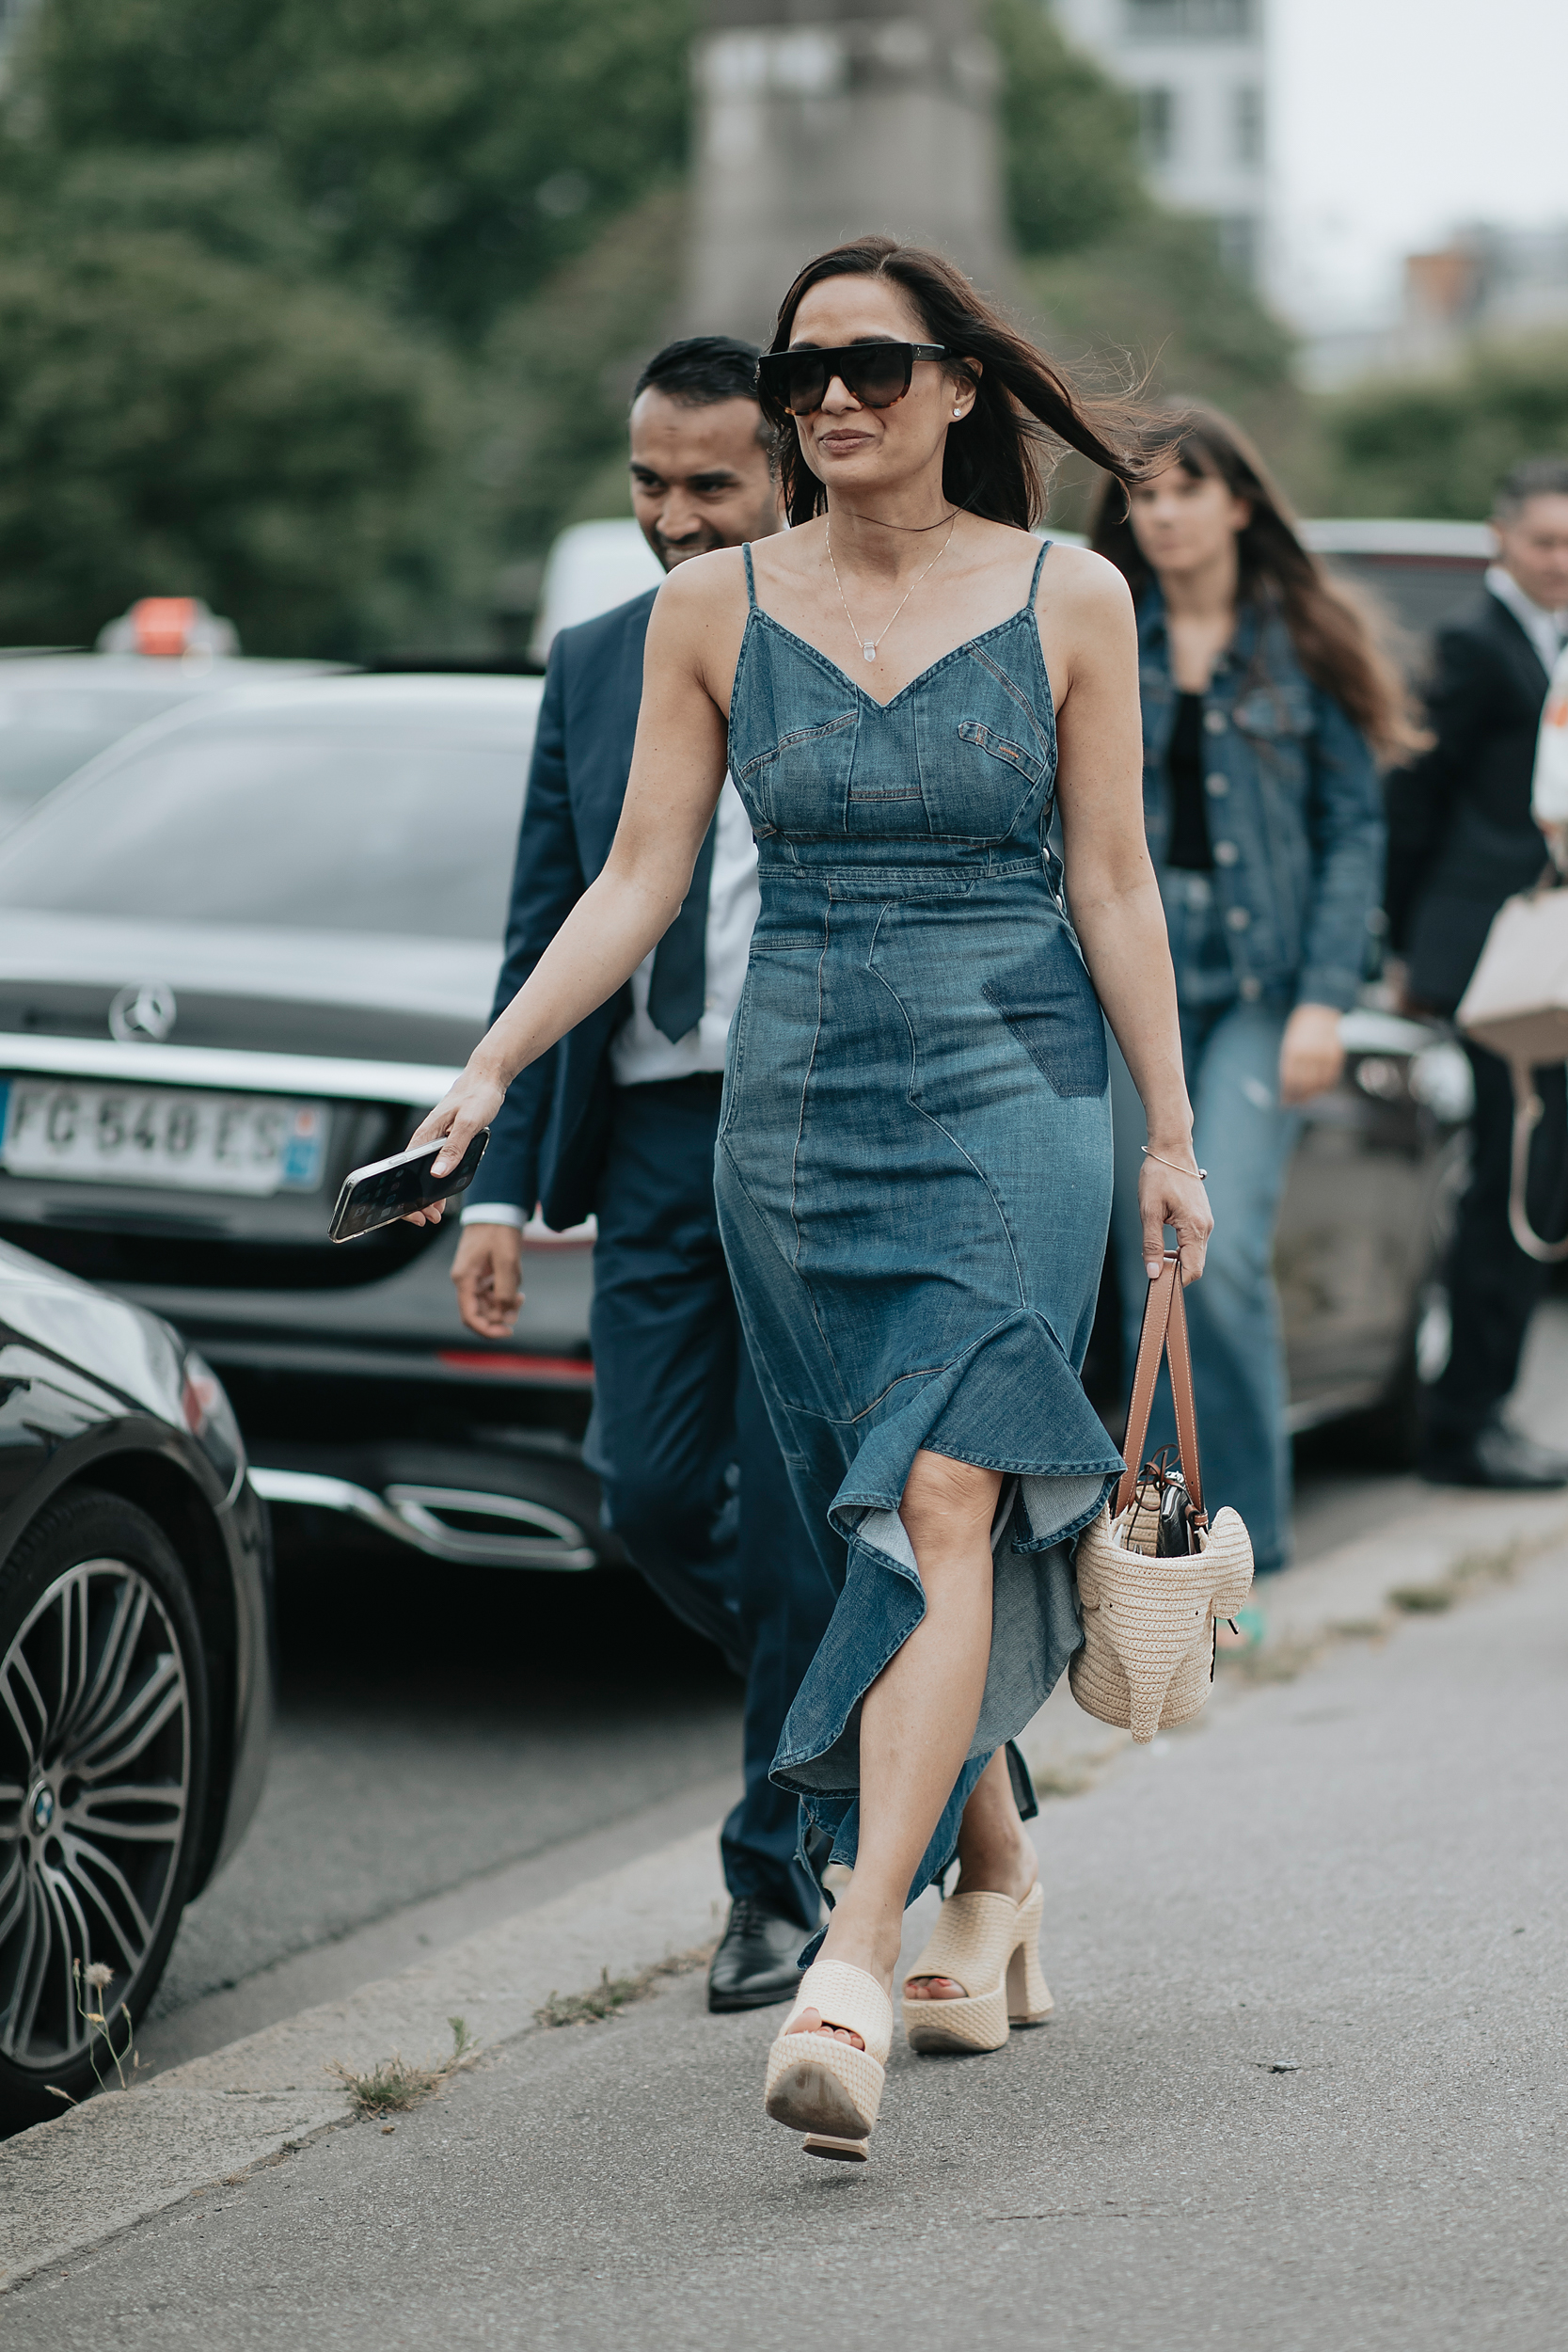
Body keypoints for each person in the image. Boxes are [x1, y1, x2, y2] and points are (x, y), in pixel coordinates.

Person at [410, 235, 1212, 2165]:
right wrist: (493, 1063)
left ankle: (853, 1952)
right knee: (885, 1517)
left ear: (955, 385)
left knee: (943, 1490)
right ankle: (995, 1878)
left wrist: (1167, 1137)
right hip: (789, 1113)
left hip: (1014, 1085)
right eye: (801, 376)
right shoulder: (710, 611)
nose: (829, 400)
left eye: (867, 365)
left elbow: (1110, 884)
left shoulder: (1068, 593)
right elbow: (631, 883)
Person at [448, 336, 838, 2013]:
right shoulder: (595, 659)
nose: (672, 518)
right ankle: (897, 1704)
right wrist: (488, 1182)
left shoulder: (855, 642)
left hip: (822, 1131)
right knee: (657, 1495)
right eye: (647, 484)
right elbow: (553, 918)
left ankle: (772, 1877)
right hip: (662, 1140)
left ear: (784, 478)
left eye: (709, 485)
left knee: (792, 1523)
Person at [1089, 405, 1408, 1572]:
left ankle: (1248, 1547)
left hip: (1261, 983)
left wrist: (1325, 998)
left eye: (1184, 490)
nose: (1161, 513)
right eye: (1144, 494)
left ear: (1236, 503)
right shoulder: (1097, 628)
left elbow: (1349, 830)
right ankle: (1154, 1542)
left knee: (1207, 1260)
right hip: (1130, 980)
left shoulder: (1305, 638)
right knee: (1137, 1263)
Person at [1386, 456, 1568, 1487]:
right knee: (1502, 1183)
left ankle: (1482, 1409)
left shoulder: (1550, 642)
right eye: (1542, 541)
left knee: (1531, 1182)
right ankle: (1461, 1427)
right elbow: (1415, 792)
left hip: (1537, 953)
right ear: (1499, 537)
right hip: (1485, 957)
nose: (1556, 562)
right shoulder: (1470, 644)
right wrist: (1407, 943)